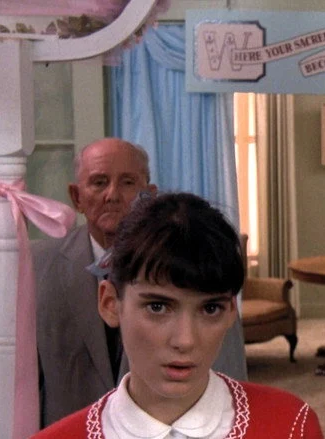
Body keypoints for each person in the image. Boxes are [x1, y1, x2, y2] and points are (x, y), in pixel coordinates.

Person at [33, 192, 323, 438]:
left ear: (231, 312)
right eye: (158, 307)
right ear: (110, 304)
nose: (185, 340)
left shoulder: (291, 425)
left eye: (210, 309)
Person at [33, 138, 248, 427]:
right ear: (76, 196)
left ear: (149, 194)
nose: (112, 195)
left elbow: (229, 366)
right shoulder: (38, 264)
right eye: (99, 182)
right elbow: (26, 375)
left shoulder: (198, 259)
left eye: (128, 183)